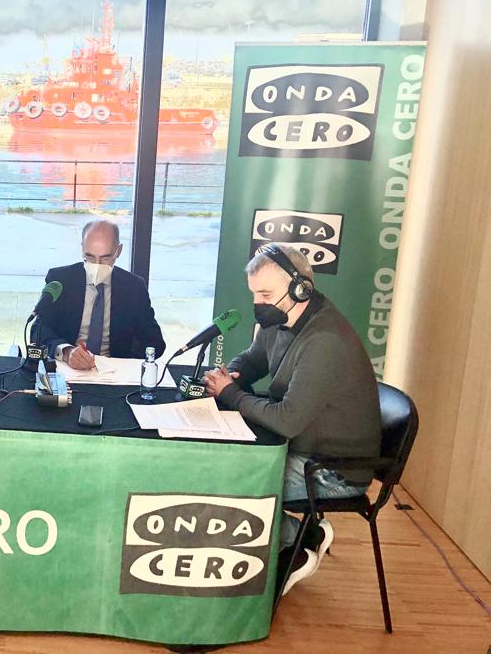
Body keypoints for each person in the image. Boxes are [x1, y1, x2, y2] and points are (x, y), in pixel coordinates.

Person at [201, 242, 381, 595]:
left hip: (332, 470)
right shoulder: (281, 317)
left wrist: (231, 395)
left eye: (265, 293)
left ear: (301, 288)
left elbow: (286, 420)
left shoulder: (325, 340)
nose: (258, 304)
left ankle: (295, 544)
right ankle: (304, 535)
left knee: (226, 481)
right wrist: (234, 375)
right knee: (219, 464)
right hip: (304, 447)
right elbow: (252, 360)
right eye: (254, 294)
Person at [36, 219, 165, 369]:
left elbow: (155, 342)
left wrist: (123, 361)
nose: (96, 265)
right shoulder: (61, 279)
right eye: (89, 257)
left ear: (119, 251)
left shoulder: (134, 287)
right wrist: (66, 351)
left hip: (115, 373)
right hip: (68, 369)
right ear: (82, 249)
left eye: (105, 258)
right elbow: (38, 329)